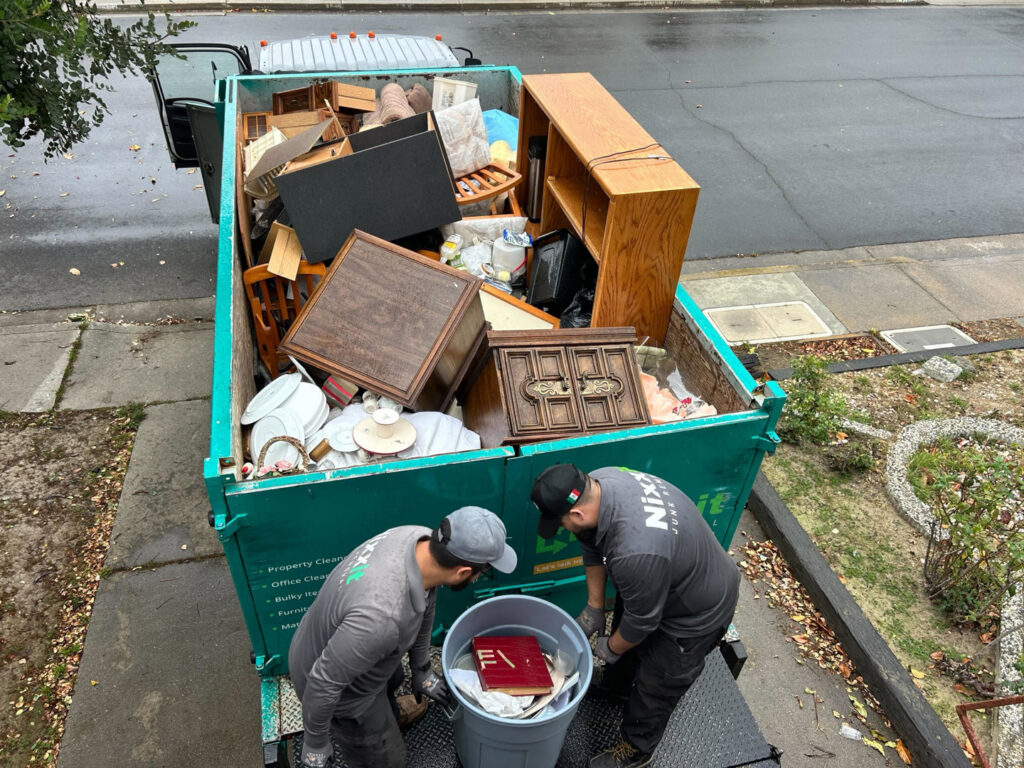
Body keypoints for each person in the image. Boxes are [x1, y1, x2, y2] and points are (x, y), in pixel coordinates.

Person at [531, 464, 739, 768]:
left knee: (658, 680)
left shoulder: (634, 552)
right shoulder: (602, 481)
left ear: (577, 515)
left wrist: (609, 649)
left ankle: (636, 749)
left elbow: (643, 623)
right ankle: (617, 685)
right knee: (627, 632)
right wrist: (594, 607)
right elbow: (591, 543)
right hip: (661, 578)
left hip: (696, 613)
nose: (562, 528)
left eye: (561, 523)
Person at [289, 506, 518, 768]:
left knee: (396, 676)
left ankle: (390, 714)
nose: (479, 577)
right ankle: (371, 739)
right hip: (334, 687)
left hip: (342, 645)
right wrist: (316, 743)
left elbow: (426, 602)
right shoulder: (381, 618)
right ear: (463, 572)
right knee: (388, 759)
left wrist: (421, 669)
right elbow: (323, 683)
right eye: (483, 572)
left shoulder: (417, 539)